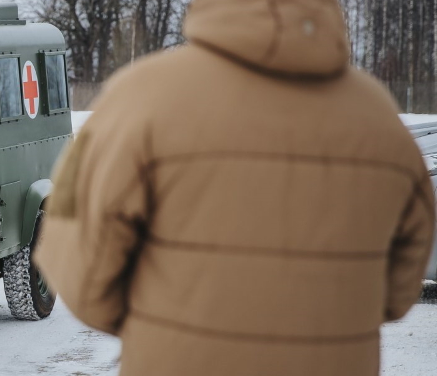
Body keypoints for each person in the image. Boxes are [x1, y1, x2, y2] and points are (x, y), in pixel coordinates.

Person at [34, 1, 435, 376]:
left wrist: (159, 323)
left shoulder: (140, 99)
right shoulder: (378, 117)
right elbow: (403, 281)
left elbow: (78, 267)